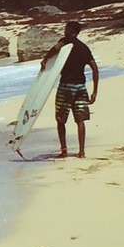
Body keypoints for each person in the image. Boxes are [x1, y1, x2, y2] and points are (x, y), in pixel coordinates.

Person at [40, 21, 99, 157]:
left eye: (66, 29)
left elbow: (55, 48)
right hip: (80, 87)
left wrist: (45, 59)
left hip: (66, 86)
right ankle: (82, 152)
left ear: (71, 30)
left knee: (61, 119)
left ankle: (64, 151)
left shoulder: (65, 42)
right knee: (80, 120)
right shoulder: (84, 48)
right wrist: (95, 91)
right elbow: (95, 68)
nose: (64, 31)